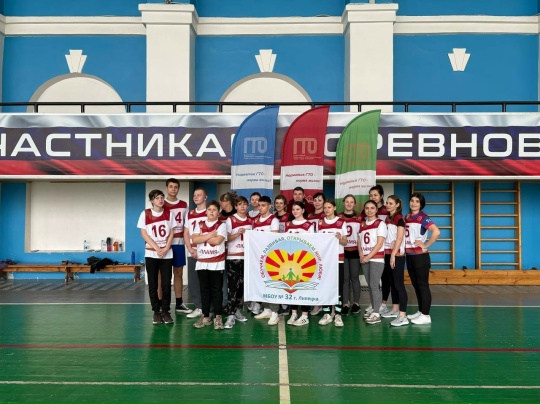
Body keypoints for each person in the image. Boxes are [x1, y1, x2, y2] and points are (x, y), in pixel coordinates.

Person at [137, 189, 177, 325]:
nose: (160, 200)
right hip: (151, 253)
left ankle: (166, 311)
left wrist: (166, 248)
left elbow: (172, 232)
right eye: (157, 198)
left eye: (161, 197)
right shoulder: (145, 214)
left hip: (167, 254)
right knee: (153, 283)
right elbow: (144, 234)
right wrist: (156, 248)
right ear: (152, 200)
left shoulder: (169, 213)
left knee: (166, 283)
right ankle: (156, 311)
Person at [191, 200, 227, 330]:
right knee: (204, 290)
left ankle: (218, 317)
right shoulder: (199, 224)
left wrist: (203, 236)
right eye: (209, 209)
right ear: (206, 211)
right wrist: (210, 234)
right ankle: (205, 316)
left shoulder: (222, 225)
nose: (211, 212)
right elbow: (194, 239)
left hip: (216, 263)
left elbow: (217, 241)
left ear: (218, 212)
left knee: (217, 290)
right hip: (202, 263)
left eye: (214, 210)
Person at [405, 193, 440, 325]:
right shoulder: (407, 217)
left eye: (417, 201)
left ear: (421, 204)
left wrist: (426, 245)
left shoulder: (423, 217)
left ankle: (426, 315)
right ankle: (421, 311)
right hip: (409, 256)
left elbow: (436, 231)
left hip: (420, 257)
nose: (413, 203)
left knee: (423, 285)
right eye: (412, 200)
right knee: (416, 285)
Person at [160, 178, 192, 314]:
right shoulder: (161, 203)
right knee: (162, 275)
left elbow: (187, 224)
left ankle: (179, 303)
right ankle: (161, 304)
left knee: (178, 273)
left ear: (178, 188)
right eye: (171, 186)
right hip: (164, 243)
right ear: (166, 188)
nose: (173, 189)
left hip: (179, 242)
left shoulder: (184, 204)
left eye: (175, 187)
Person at [317, 199, 348, 327]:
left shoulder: (341, 222)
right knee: (326, 287)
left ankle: (338, 314)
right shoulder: (320, 223)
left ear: (334, 208)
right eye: (325, 207)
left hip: (337, 260)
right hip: (325, 261)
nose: (326, 210)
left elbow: (345, 242)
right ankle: (327, 313)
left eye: (329, 207)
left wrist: (339, 239)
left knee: (339, 287)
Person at [223, 196, 252, 329]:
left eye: (244, 204)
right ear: (236, 206)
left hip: (247, 257)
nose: (242, 206)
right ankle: (230, 314)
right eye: (240, 204)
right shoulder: (231, 219)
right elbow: (226, 238)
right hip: (233, 257)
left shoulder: (250, 220)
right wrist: (237, 233)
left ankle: (236, 310)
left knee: (242, 286)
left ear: (247, 206)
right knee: (233, 286)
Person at [285, 201, 315, 326]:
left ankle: (304, 315)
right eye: (293, 209)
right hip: (291, 261)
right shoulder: (288, 224)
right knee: (292, 287)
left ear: (303, 210)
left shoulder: (309, 225)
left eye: (298, 209)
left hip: (304, 261)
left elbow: (313, 243)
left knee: (303, 287)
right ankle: (293, 313)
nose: (295, 211)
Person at [252, 196, 281, 325]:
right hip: (258, 257)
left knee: (272, 284)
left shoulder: (273, 220)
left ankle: (275, 312)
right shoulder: (255, 220)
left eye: (263, 205)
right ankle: (267, 309)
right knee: (262, 283)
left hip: (271, 257)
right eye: (259, 205)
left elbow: (274, 239)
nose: (260, 208)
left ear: (269, 206)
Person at [359, 200, 387, 325]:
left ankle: (377, 313)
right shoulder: (362, 224)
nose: (369, 210)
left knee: (374, 285)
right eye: (367, 208)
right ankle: (374, 308)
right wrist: (361, 254)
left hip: (376, 258)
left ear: (376, 210)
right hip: (365, 258)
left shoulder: (380, 224)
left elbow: (380, 243)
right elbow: (359, 240)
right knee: (370, 285)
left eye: (372, 208)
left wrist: (368, 256)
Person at [381, 195, 408, 326]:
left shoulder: (399, 218)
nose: (388, 205)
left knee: (399, 285)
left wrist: (393, 255)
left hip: (396, 255)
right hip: (387, 253)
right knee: (392, 283)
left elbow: (399, 237)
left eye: (391, 203)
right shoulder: (388, 218)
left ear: (397, 205)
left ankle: (403, 316)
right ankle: (395, 309)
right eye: (387, 203)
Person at [183, 187, 207, 319]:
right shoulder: (190, 213)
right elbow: (186, 233)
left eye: (199, 195)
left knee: (206, 281)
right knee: (194, 282)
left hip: (207, 252)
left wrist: (201, 250)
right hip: (192, 252)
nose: (196, 197)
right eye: (194, 195)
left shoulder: (210, 211)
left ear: (205, 197)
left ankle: (208, 308)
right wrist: (190, 249)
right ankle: (199, 307)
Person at [339, 194, 361, 315]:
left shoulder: (359, 217)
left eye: (351, 202)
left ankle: (356, 303)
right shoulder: (338, 217)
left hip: (355, 251)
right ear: (343, 203)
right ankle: (345, 304)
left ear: (354, 204)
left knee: (355, 277)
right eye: (347, 202)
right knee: (345, 278)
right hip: (342, 250)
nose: (349, 204)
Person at [308, 192, 326, 315]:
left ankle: (321, 303)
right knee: (313, 276)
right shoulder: (309, 216)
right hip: (311, 250)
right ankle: (314, 301)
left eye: (320, 200)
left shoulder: (327, 215)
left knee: (323, 277)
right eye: (315, 200)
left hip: (323, 250)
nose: (317, 202)